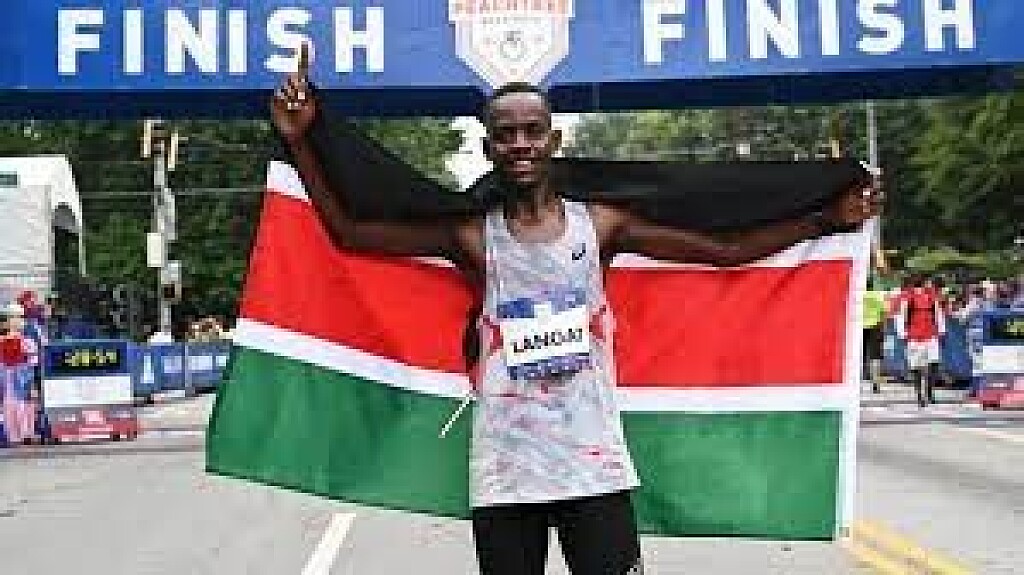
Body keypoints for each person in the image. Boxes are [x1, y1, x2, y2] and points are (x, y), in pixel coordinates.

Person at [271, 44, 880, 575]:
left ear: (554, 140)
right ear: (488, 147)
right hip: (506, 471)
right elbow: (350, 232)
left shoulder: (601, 226)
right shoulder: (473, 238)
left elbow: (725, 249)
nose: (520, 143)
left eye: (532, 130)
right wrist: (301, 140)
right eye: (506, 134)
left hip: (592, 466)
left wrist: (824, 219)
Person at [894, 273, 946, 407]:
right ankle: (925, 393)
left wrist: (902, 334)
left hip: (921, 336)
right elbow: (939, 314)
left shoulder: (923, 296)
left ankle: (923, 394)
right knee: (930, 364)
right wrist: (941, 331)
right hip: (922, 335)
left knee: (922, 366)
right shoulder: (914, 297)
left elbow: (900, 316)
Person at [1, 303, 39, 446]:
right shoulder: (2, 341)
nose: (17, 321)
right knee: (11, 404)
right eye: (13, 317)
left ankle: (27, 433)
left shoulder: (28, 341)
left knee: (26, 403)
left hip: (24, 377)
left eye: (20, 317)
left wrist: (30, 378)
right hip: (8, 378)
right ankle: (15, 436)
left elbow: (33, 362)